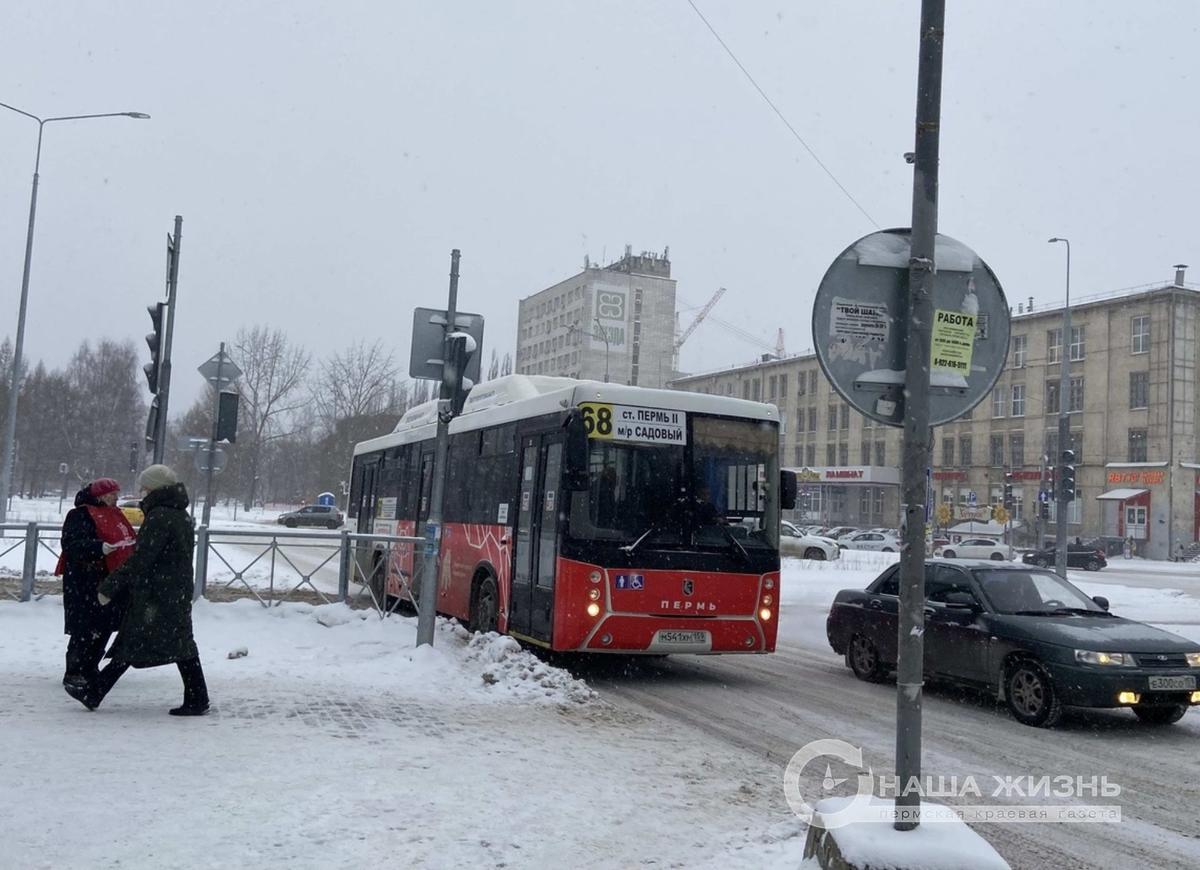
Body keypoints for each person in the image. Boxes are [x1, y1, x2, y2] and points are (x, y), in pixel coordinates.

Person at [64, 464, 210, 716]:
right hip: (172, 590)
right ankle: (95, 692)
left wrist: (110, 585)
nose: (141, 491)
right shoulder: (179, 514)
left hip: (158, 592)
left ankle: (95, 692)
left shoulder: (160, 516)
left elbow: (142, 558)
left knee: (150, 641)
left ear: (154, 488)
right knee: (169, 642)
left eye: (144, 486)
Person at [55, 478, 136, 688]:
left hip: (109, 580)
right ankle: (74, 671)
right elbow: (71, 545)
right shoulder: (80, 514)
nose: (116, 498)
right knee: (84, 628)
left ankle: (90, 667)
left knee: (105, 626)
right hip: (84, 581)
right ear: (100, 495)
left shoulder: (115, 512)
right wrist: (98, 548)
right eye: (111, 494)